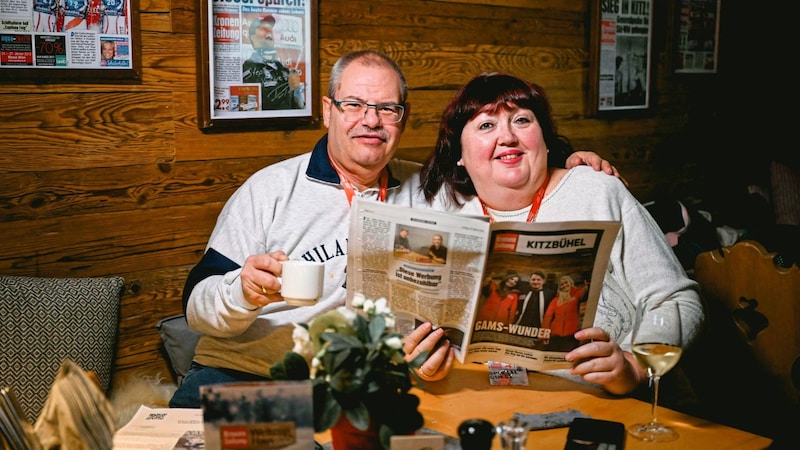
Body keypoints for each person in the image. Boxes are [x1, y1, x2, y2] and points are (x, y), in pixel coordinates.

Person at [170, 51, 620, 408]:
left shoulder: (431, 189)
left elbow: (503, 174)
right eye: (355, 106)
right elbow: (195, 306)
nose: (371, 120)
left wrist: (570, 169)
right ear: (328, 111)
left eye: (387, 109)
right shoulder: (270, 189)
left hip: (370, 386)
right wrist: (242, 293)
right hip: (249, 374)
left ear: (402, 119)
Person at [419, 72, 704, 396]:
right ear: (459, 153)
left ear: (542, 136)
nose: (508, 137)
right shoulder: (443, 213)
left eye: (522, 120)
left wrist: (634, 366)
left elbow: (679, 301)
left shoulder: (597, 191)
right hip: (483, 403)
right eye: (486, 125)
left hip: (607, 404)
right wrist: (426, 363)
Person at [242, 14, 304, 110]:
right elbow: (258, 104)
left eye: (270, 28)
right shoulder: (249, 68)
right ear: (253, 37)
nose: (269, 31)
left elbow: (299, 106)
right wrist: (289, 88)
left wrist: (296, 91)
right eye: (263, 28)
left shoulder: (283, 70)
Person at [541, 275, 587, 351]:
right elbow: (547, 317)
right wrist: (544, 334)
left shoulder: (577, 295)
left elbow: (585, 291)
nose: (564, 285)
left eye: (566, 283)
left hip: (571, 335)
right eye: (562, 284)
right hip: (555, 335)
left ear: (570, 283)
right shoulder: (555, 300)